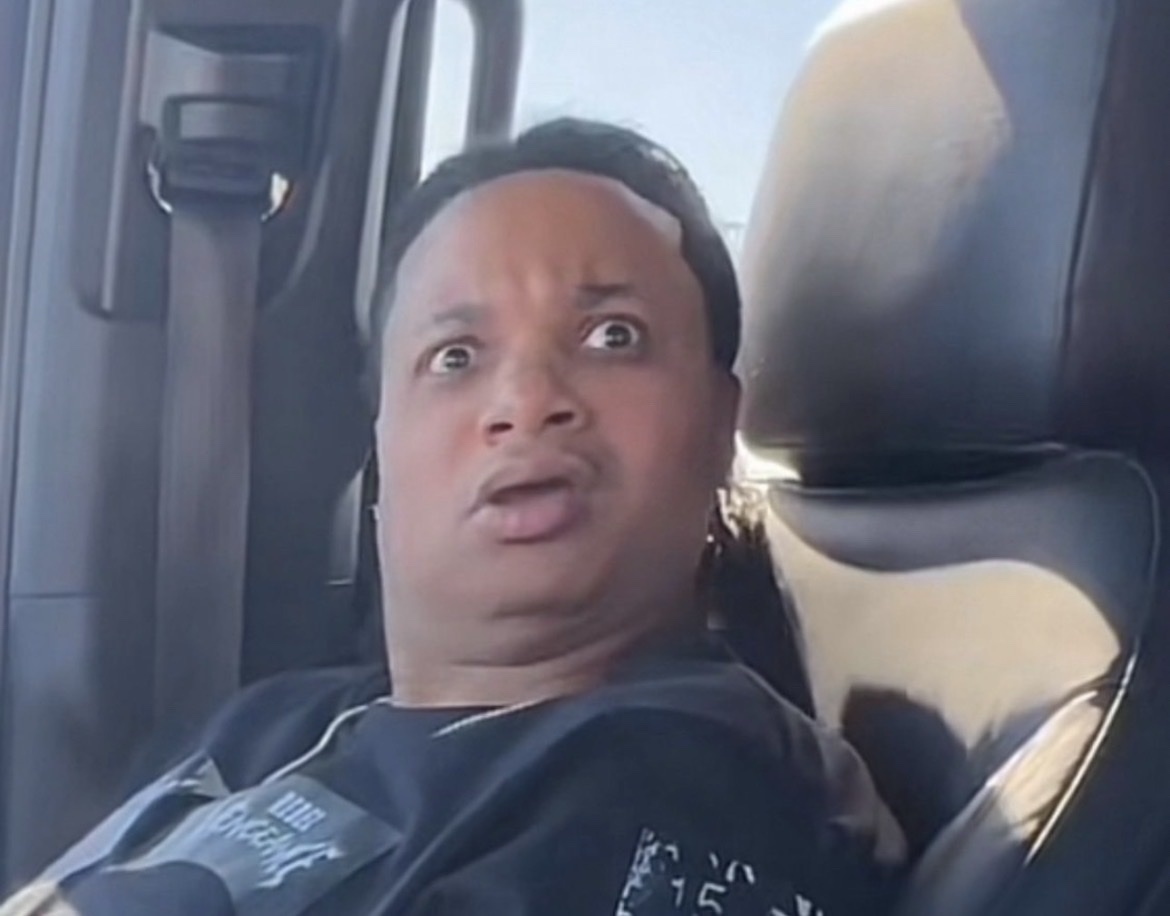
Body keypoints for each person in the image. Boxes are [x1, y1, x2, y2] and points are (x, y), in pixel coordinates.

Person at [2, 119, 905, 916]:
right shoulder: (265, 726)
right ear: (380, 442)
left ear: (716, 427)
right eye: (456, 355)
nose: (526, 400)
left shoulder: (694, 791)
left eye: (613, 336)